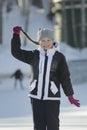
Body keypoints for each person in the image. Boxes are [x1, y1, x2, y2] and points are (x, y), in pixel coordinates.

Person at [11, 26, 80, 130]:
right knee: (39, 126)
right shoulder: (34, 55)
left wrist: (69, 95)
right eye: (42, 40)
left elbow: (65, 77)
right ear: (39, 42)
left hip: (52, 97)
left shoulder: (59, 57)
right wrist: (16, 36)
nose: (45, 43)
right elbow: (16, 52)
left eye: (48, 40)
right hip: (36, 97)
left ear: (53, 41)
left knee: (53, 125)